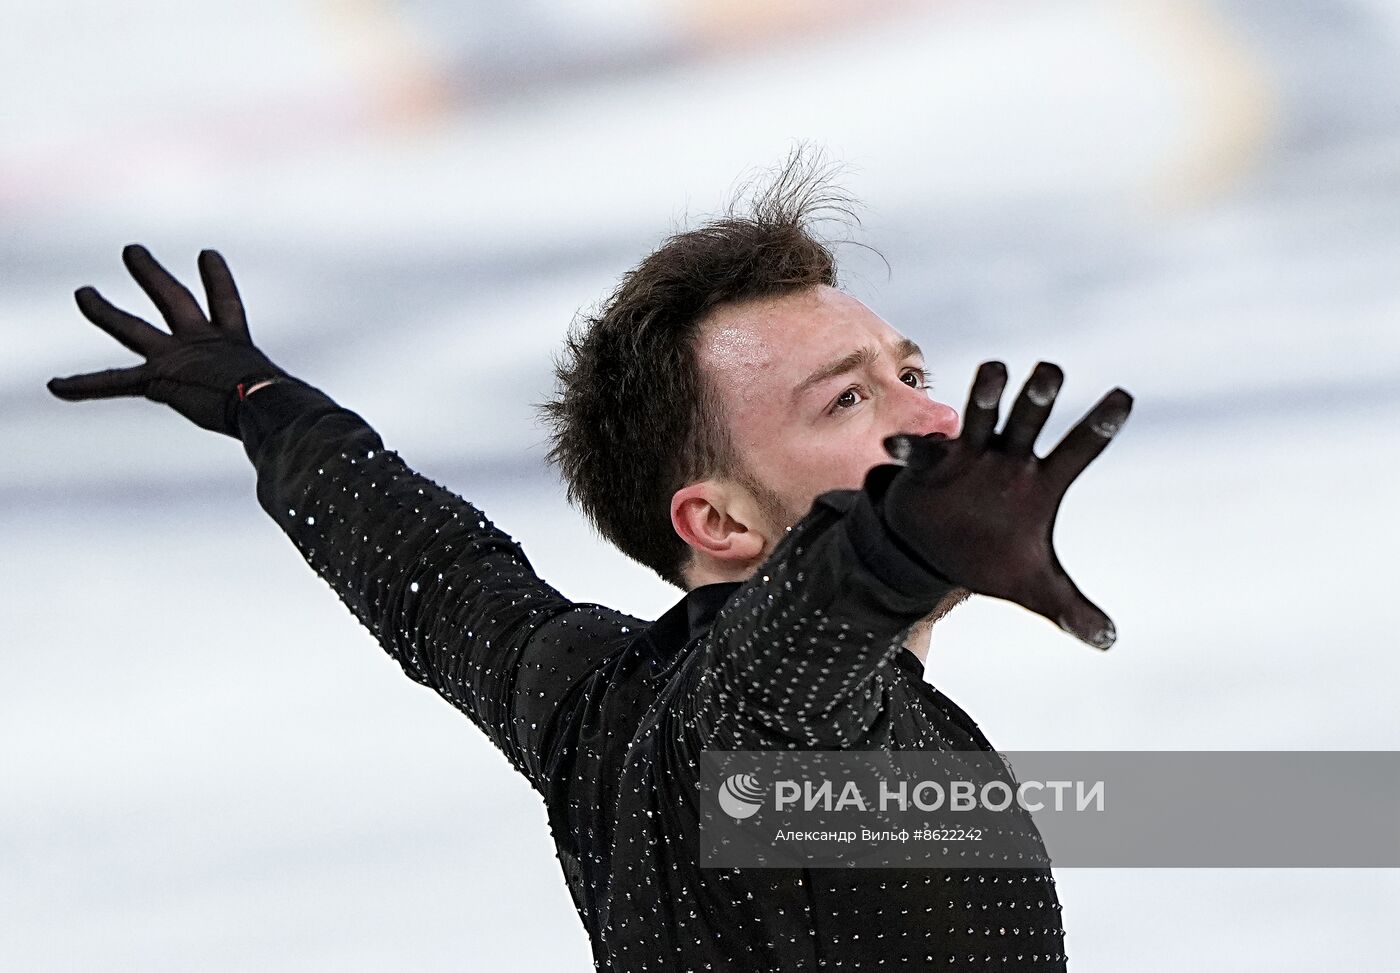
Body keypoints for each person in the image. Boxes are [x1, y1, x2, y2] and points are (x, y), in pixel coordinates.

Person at [47, 156, 1132, 970]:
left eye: (908, 371)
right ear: (717, 523)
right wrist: (892, 552)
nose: (934, 419)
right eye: (849, 400)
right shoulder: (767, 732)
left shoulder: (593, 697)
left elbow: (435, 576)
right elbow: (790, 656)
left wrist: (266, 408)